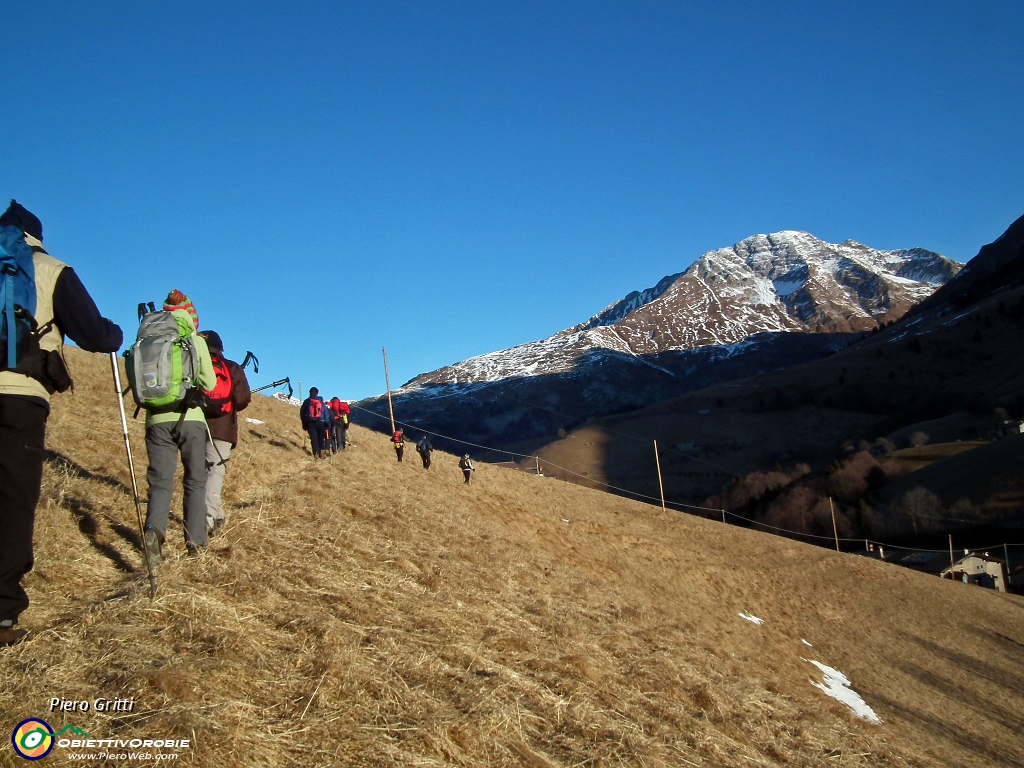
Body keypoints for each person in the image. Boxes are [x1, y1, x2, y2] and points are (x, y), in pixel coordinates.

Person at [0, 201, 122, 646]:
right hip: (20, 397)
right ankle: (3, 614)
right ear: (37, 236)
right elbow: (95, 335)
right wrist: (115, 334)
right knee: (12, 501)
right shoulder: (50, 268)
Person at [141, 291, 216, 566]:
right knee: (195, 482)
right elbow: (209, 384)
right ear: (190, 313)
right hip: (191, 418)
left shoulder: (147, 335)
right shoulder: (194, 340)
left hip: (156, 420)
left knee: (160, 483)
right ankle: (196, 543)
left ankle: (155, 531)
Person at [198, 330, 251, 537]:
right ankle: (206, 521)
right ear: (220, 348)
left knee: (198, 473)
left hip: (193, 425)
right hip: (221, 429)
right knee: (215, 472)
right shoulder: (231, 367)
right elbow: (243, 398)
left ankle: (216, 515)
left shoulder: (193, 364)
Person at [300, 387, 328, 458]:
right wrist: (326, 422)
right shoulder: (321, 401)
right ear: (317, 393)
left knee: (314, 439)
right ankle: (322, 453)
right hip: (321, 422)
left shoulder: (307, 401)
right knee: (321, 438)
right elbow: (325, 412)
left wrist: (304, 423)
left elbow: (302, 413)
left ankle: (316, 454)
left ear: (309, 392)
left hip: (310, 422)